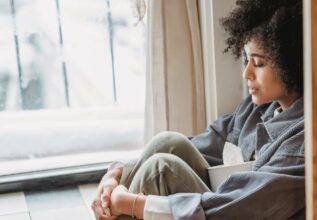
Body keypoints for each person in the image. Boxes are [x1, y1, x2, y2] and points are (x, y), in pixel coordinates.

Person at [92, 0, 304, 219]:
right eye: (245, 60)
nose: (246, 73)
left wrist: (132, 203)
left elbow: (234, 209)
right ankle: (108, 205)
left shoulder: (300, 146)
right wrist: (116, 173)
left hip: (235, 213)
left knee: (160, 170)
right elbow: (201, 143)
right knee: (168, 143)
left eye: (258, 63)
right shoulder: (258, 108)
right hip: (226, 205)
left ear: (291, 62)